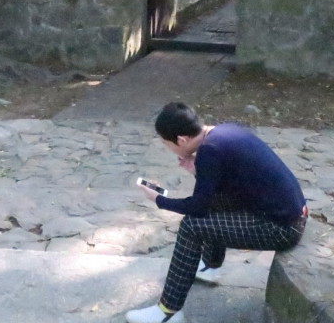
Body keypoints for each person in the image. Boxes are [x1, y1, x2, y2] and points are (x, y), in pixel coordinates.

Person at [127, 101, 308, 323]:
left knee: (191, 227)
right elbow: (217, 190)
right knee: (213, 201)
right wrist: (198, 170)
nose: (169, 149)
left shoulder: (209, 150)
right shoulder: (223, 132)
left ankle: (167, 312)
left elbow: (197, 207)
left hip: (282, 229)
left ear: (181, 140)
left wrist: (159, 199)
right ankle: (210, 267)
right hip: (295, 215)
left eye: (167, 144)